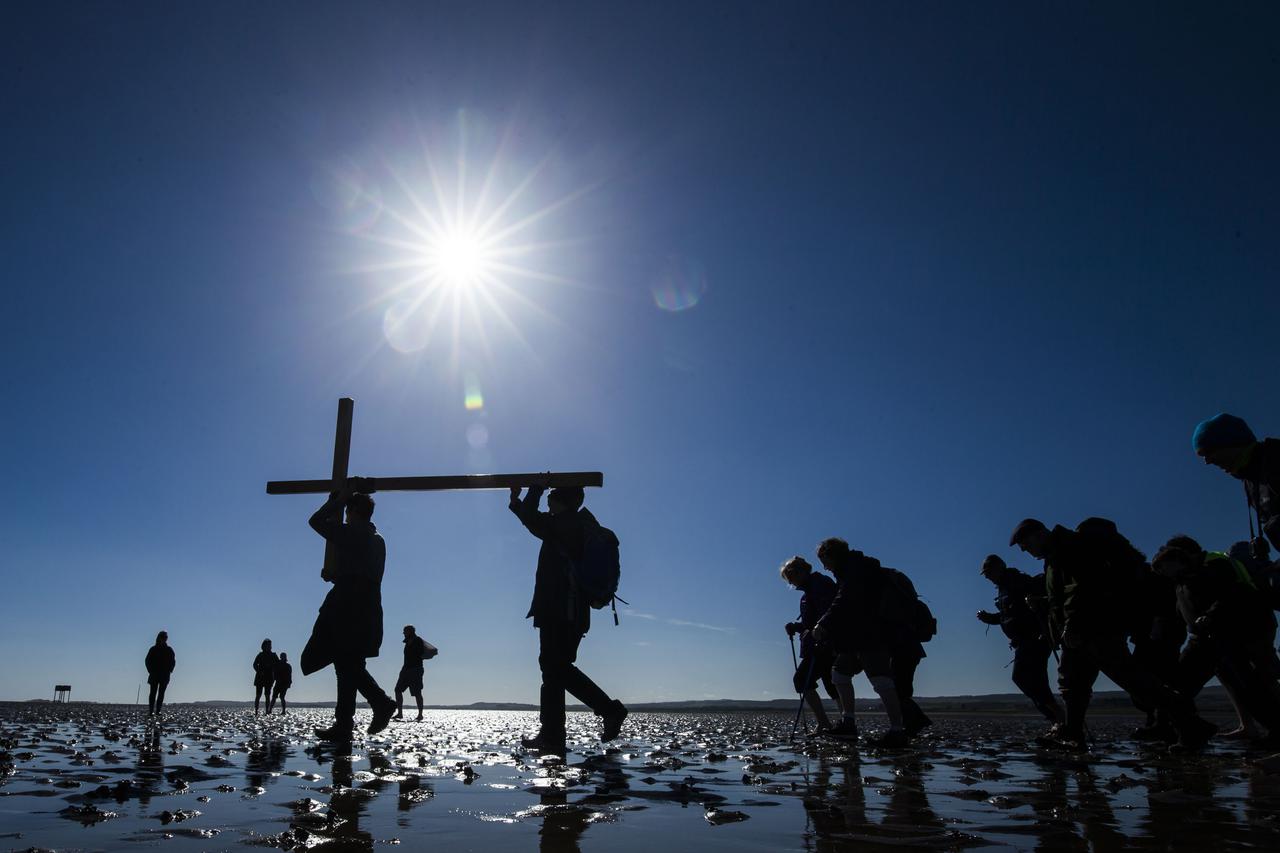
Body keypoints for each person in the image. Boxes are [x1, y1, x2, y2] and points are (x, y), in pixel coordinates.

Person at [1010, 518, 1215, 752]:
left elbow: (1087, 586)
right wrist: (1046, 607)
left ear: (1039, 535)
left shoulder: (1071, 547)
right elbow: (1065, 595)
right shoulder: (1055, 556)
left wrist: (1073, 624)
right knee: (1072, 683)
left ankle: (1191, 724)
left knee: (1134, 681)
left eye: (1027, 546)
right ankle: (1073, 733)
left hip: (1096, 627)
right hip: (1079, 632)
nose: (1027, 552)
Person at [509, 483, 628, 757]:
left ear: (562, 501)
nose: (548, 503)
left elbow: (532, 520)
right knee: (554, 670)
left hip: (562, 609)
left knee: (555, 668)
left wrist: (533, 491)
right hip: (566, 610)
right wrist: (518, 500)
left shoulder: (567, 525)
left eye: (551, 498)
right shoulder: (575, 524)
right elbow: (533, 519)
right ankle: (552, 736)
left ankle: (607, 711)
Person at [1152, 536, 1280, 749]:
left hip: (1223, 637)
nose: (1162, 572)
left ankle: (1274, 730)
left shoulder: (1209, 569)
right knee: (1181, 685)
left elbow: (1231, 594)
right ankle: (1186, 731)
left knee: (1247, 685)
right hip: (1204, 639)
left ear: (1179, 558)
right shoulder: (1182, 582)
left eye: (1164, 567)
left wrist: (1210, 616)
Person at [301, 482, 397, 746]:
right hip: (366, 605)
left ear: (352, 510)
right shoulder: (377, 539)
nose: (344, 514)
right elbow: (361, 573)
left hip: (348, 606)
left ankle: (380, 702)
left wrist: (338, 499)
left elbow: (315, 521)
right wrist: (336, 576)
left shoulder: (351, 533)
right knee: (347, 664)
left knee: (345, 662)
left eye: (346, 509)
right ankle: (344, 725)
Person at [812, 538, 932, 748]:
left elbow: (845, 599)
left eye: (824, 560)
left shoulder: (856, 570)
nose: (824, 567)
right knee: (839, 674)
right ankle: (848, 723)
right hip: (856, 636)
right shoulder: (853, 569)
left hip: (871, 634)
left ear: (831, 555)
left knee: (880, 679)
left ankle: (897, 731)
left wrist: (824, 623)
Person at [976, 555, 1064, 728]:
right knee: (1034, 679)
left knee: (1023, 677)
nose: (986, 577)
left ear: (999, 568)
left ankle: (1057, 713)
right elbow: (1007, 617)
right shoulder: (1003, 588)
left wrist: (1044, 631)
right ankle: (1057, 719)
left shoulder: (1018, 582)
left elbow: (1032, 608)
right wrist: (989, 618)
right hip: (1023, 641)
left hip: (1034, 638)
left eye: (988, 572)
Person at [1193, 413, 1280, 553]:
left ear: (1230, 442)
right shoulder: (1250, 481)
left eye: (1208, 451)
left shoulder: (1275, 456)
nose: (1207, 461)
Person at [780, 556, 842, 734]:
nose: (790, 582)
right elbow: (812, 622)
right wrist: (796, 627)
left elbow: (827, 614)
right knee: (831, 684)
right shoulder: (810, 591)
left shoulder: (819, 585)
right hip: (818, 644)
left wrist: (820, 636)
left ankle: (828, 722)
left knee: (802, 680)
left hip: (822, 645)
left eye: (790, 577)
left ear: (800, 572)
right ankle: (843, 722)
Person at [394, 625, 433, 721]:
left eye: (405, 631)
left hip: (416, 669)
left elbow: (420, 654)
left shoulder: (418, 641)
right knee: (398, 690)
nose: (403, 633)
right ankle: (400, 713)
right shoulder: (407, 642)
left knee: (417, 692)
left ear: (410, 632)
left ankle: (420, 714)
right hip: (406, 669)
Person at [144, 631, 175, 716]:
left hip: (164, 675)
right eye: (163, 637)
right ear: (159, 637)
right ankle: (151, 710)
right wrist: (150, 670)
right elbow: (147, 661)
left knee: (161, 693)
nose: (164, 639)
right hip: (154, 674)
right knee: (152, 693)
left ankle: (158, 710)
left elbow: (173, 661)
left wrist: (170, 670)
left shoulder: (169, 650)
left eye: (166, 637)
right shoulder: (153, 649)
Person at [253, 639, 278, 715]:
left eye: (270, 645)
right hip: (260, 677)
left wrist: (275, 674)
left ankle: (267, 711)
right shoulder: (260, 655)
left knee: (267, 695)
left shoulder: (273, 655)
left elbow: (278, 665)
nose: (270, 647)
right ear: (264, 646)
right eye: (268, 645)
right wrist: (259, 671)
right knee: (258, 695)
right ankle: (256, 711)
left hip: (269, 677)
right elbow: (254, 664)